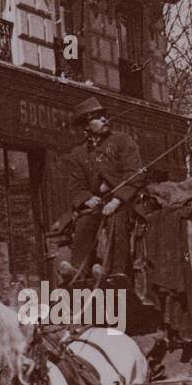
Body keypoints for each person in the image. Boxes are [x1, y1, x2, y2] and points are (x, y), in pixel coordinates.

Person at [60, 97, 146, 285]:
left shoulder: (122, 141)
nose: (105, 120)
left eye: (104, 116)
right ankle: (78, 271)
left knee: (117, 217)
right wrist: (86, 198)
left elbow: (135, 174)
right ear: (86, 126)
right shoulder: (78, 153)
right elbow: (76, 185)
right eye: (97, 118)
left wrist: (117, 200)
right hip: (98, 204)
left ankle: (116, 271)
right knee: (84, 219)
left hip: (126, 200)